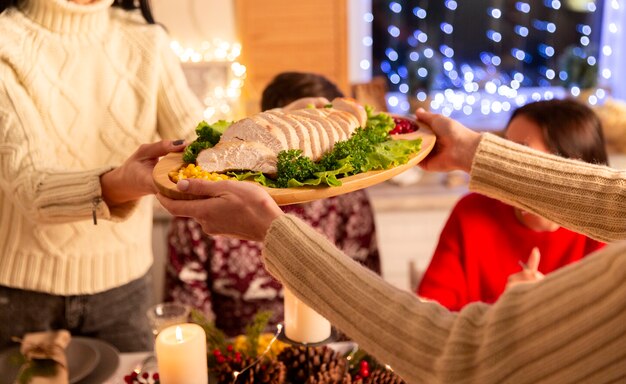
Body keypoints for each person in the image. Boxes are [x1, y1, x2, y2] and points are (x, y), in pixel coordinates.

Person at [157, 107, 626, 383]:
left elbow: (456, 355)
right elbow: (615, 201)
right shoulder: (475, 213)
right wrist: (472, 153)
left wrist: (274, 233)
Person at [0, 0, 203, 351]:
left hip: (125, 289)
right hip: (21, 296)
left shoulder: (147, 40)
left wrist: (272, 127)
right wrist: (121, 183)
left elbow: (198, 140)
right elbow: (30, 185)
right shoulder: (6, 41)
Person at [165, 71, 381, 336]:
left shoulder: (349, 198)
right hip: (240, 354)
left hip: (326, 350)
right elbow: (190, 316)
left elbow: (363, 296)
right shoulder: (206, 201)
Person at [418, 99, 608, 311]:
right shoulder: (471, 212)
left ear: (569, 169)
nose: (504, 163)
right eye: (503, 148)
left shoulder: (605, 234)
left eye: (519, 153)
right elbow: (431, 313)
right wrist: (501, 312)